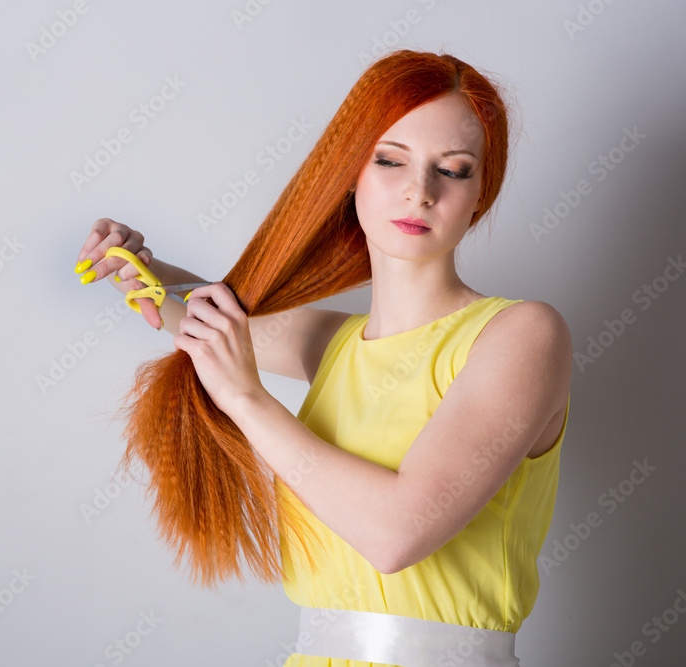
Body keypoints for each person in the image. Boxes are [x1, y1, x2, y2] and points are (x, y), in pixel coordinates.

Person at [75, 49, 571, 666]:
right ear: (351, 174)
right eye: (390, 160)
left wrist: (246, 400)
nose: (419, 191)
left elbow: (395, 535)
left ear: (480, 194)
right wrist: (139, 268)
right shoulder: (335, 346)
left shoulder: (522, 335)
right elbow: (208, 320)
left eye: (453, 169)